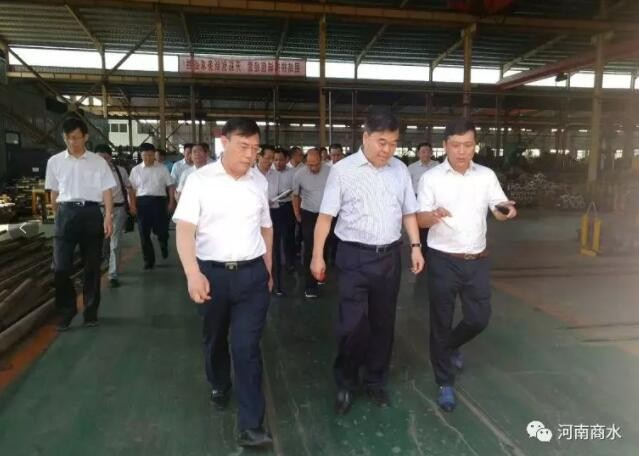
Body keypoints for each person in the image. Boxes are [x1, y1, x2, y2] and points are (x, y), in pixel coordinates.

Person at [311, 110, 424, 415]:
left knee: (383, 324)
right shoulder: (343, 170)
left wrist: (415, 247)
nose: (387, 149)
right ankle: (346, 382)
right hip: (354, 257)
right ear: (365, 137)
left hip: (389, 257)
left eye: (394, 143)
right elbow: (325, 217)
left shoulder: (400, 170)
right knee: (352, 326)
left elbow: (409, 212)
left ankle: (375, 380)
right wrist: (317, 255)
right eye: (381, 142)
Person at [173, 118, 274, 448]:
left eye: (255, 148)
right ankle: (219, 382)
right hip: (211, 275)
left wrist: (268, 267)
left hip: (252, 276)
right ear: (225, 142)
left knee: (246, 348)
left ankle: (251, 425)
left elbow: (266, 227)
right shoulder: (199, 181)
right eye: (244, 147)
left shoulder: (259, 181)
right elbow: (184, 230)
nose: (250, 154)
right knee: (215, 338)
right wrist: (193, 273)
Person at [416, 118, 517, 412]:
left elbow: (498, 209)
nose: (462, 151)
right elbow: (420, 219)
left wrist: (506, 211)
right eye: (456, 145)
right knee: (441, 321)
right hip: (443, 260)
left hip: (477, 260)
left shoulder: (486, 176)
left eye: (468, 145)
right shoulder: (431, 178)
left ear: (475, 145)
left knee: (479, 318)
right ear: (445, 145)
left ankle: (448, 347)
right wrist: (433, 215)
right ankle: (445, 382)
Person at [45, 117, 116, 331]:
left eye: (76, 137)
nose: (72, 142)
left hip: (91, 214)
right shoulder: (55, 161)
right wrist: (58, 215)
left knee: (92, 266)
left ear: (86, 137)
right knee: (60, 267)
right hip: (65, 213)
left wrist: (108, 216)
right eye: (68, 138)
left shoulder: (98, 162)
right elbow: (53, 192)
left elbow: (107, 191)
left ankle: (90, 311)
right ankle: (67, 310)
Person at [129, 142, 176, 269]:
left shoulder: (162, 168)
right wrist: (132, 205)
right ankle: (149, 260)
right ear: (141, 155)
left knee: (162, 231)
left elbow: (170, 186)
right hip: (142, 203)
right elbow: (132, 190)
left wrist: (171, 202)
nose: (148, 158)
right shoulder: (136, 170)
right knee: (143, 233)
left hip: (159, 202)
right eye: (145, 155)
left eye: (150, 155)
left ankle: (163, 242)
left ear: (154, 154)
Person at [292, 148, 330, 299]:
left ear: (322, 160)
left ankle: (320, 273)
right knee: (310, 247)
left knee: (324, 245)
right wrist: (297, 214)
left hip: (325, 214)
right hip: (308, 213)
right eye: (310, 165)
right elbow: (295, 195)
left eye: (316, 164)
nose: (313, 168)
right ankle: (310, 285)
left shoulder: (331, 172)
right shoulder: (299, 174)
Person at [95, 144, 132, 288]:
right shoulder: (90, 172)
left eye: (105, 158)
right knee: (101, 242)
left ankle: (113, 274)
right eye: (99, 158)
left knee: (115, 243)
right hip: (98, 210)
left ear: (110, 157)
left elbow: (129, 188)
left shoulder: (120, 171)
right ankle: (106, 262)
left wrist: (132, 205)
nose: (102, 161)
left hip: (118, 210)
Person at [408, 142, 439, 256]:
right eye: (423, 151)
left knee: (434, 226)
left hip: (435, 200)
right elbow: (407, 187)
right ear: (418, 153)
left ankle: (434, 252)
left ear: (431, 153)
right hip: (417, 200)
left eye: (428, 151)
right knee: (420, 226)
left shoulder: (438, 166)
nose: (426, 154)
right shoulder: (411, 168)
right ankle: (421, 252)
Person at [272, 148, 296, 272]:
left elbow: (295, 190)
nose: (278, 163)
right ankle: (274, 262)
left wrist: (290, 193)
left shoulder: (292, 173)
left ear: (287, 160)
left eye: (281, 160)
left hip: (287, 207)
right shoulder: (269, 172)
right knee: (273, 237)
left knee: (288, 236)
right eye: (275, 160)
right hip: (272, 208)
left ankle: (289, 262)